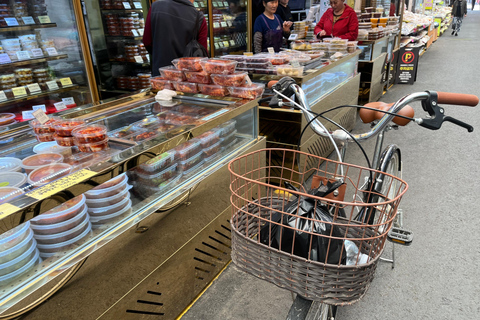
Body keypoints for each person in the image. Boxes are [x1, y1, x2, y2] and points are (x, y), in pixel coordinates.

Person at [142, 0, 208, 76]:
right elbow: (202, 57)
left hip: (160, 74)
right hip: (187, 78)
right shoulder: (198, 17)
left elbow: (147, 41)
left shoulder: (156, 7)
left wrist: (159, 53)